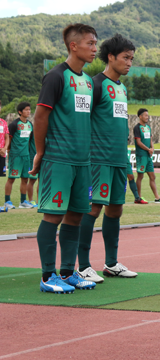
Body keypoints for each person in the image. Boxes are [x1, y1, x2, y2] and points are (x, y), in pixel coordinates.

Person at [31, 23, 99, 293]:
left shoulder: (87, 81)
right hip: (58, 159)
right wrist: (40, 152)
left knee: (76, 217)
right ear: (74, 46)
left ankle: (69, 272)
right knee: (53, 216)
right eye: (90, 43)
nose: (95, 49)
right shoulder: (55, 77)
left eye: (95, 43)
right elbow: (40, 117)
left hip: (84, 162)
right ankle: (48, 276)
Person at [77, 34, 139, 284]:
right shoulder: (95, 85)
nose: (129, 63)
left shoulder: (122, 88)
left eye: (132, 59)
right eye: (125, 58)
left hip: (118, 159)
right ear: (110, 57)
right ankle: (82, 266)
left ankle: (111, 263)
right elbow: (82, 121)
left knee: (116, 209)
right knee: (92, 208)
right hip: (98, 159)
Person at [4, 102, 35, 209]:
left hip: (26, 156)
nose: (28, 111)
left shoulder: (30, 124)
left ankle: (23, 202)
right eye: (26, 110)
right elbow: (9, 139)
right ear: (20, 112)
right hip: (15, 156)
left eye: (29, 109)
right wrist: (10, 153)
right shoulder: (14, 124)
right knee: (11, 179)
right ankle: (7, 202)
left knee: (25, 179)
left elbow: (30, 140)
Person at [133, 109, 160, 203]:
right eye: (145, 115)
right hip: (141, 156)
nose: (147, 117)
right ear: (140, 116)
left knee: (152, 177)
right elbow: (138, 142)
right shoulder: (137, 128)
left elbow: (151, 140)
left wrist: (152, 148)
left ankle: (157, 198)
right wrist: (148, 149)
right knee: (140, 176)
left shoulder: (148, 127)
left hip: (148, 156)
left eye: (148, 115)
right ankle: (138, 198)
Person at [27, 130, 38, 207]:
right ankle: (30, 200)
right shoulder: (33, 131)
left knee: (42, 181)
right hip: (33, 158)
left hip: (45, 159)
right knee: (32, 180)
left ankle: (39, 201)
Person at [0, 100, 7, 180]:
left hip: (2, 153)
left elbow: (7, 137)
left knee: (1, 178)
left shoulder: (3, 122)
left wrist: (4, 148)